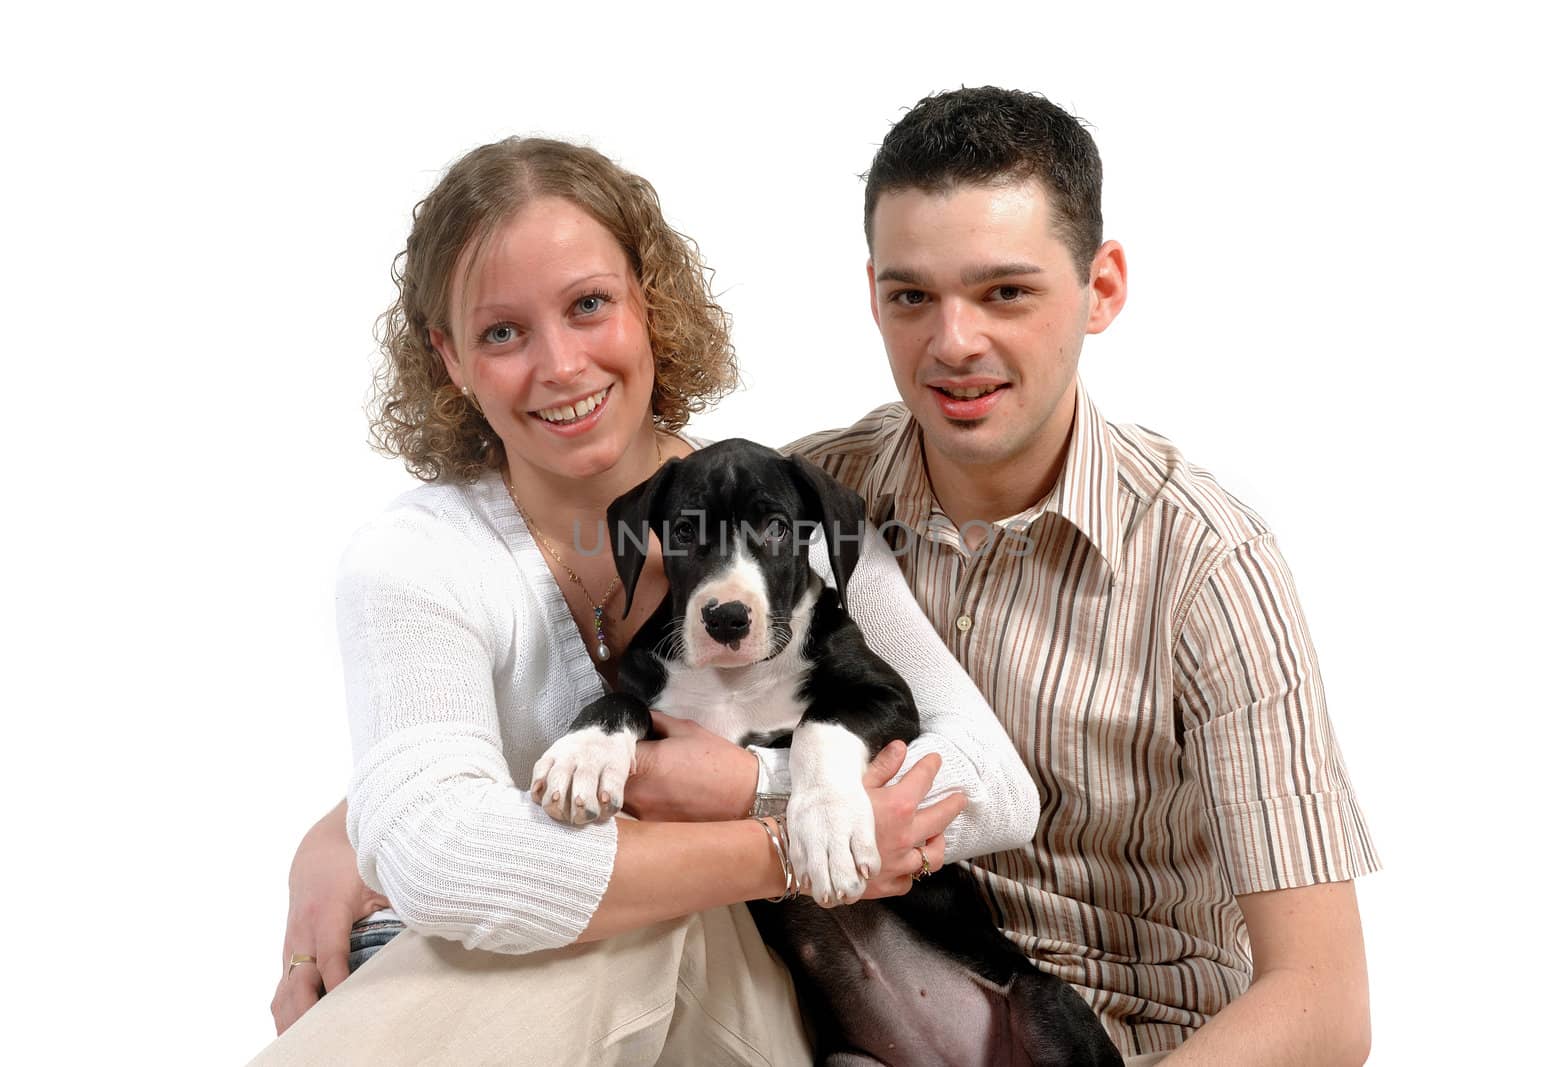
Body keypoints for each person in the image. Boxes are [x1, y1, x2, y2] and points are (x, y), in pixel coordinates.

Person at [274, 88, 1381, 1066]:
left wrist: (752, 800)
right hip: (818, 1011)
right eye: (912, 296)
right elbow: (476, 793)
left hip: (1104, 1032)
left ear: (1101, 288)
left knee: (615, 921)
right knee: (621, 929)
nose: (954, 342)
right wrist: (362, 820)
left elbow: (1323, 1002)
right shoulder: (807, 488)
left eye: (1004, 292)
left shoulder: (1204, 563)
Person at [253, 135, 1042, 1064]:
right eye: (501, 332)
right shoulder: (414, 557)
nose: (559, 364)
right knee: (585, 907)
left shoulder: (782, 516)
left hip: (773, 1002)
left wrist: (751, 791)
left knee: (617, 910)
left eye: (588, 305)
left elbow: (993, 785)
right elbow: (438, 852)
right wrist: (783, 843)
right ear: (449, 358)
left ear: (650, 307)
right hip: (573, 1011)